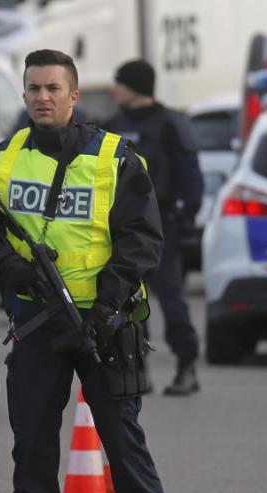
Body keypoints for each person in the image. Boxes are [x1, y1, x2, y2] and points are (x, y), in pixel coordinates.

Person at [0, 49, 178, 493]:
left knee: (122, 446)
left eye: (53, 88)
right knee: (31, 444)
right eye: (33, 88)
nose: (42, 97)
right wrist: (13, 268)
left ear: (75, 96)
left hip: (105, 325)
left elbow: (141, 241)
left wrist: (105, 308)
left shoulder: (115, 159)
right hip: (37, 321)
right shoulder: (2, 161)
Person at [103, 59, 203, 397]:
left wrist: (186, 217)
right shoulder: (114, 124)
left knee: (171, 300)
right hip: (120, 229)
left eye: (119, 82)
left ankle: (186, 368)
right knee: (127, 302)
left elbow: (191, 175)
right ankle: (136, 369)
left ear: (135, 86)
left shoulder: (169, 124)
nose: (113, 89)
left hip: (162, 230)